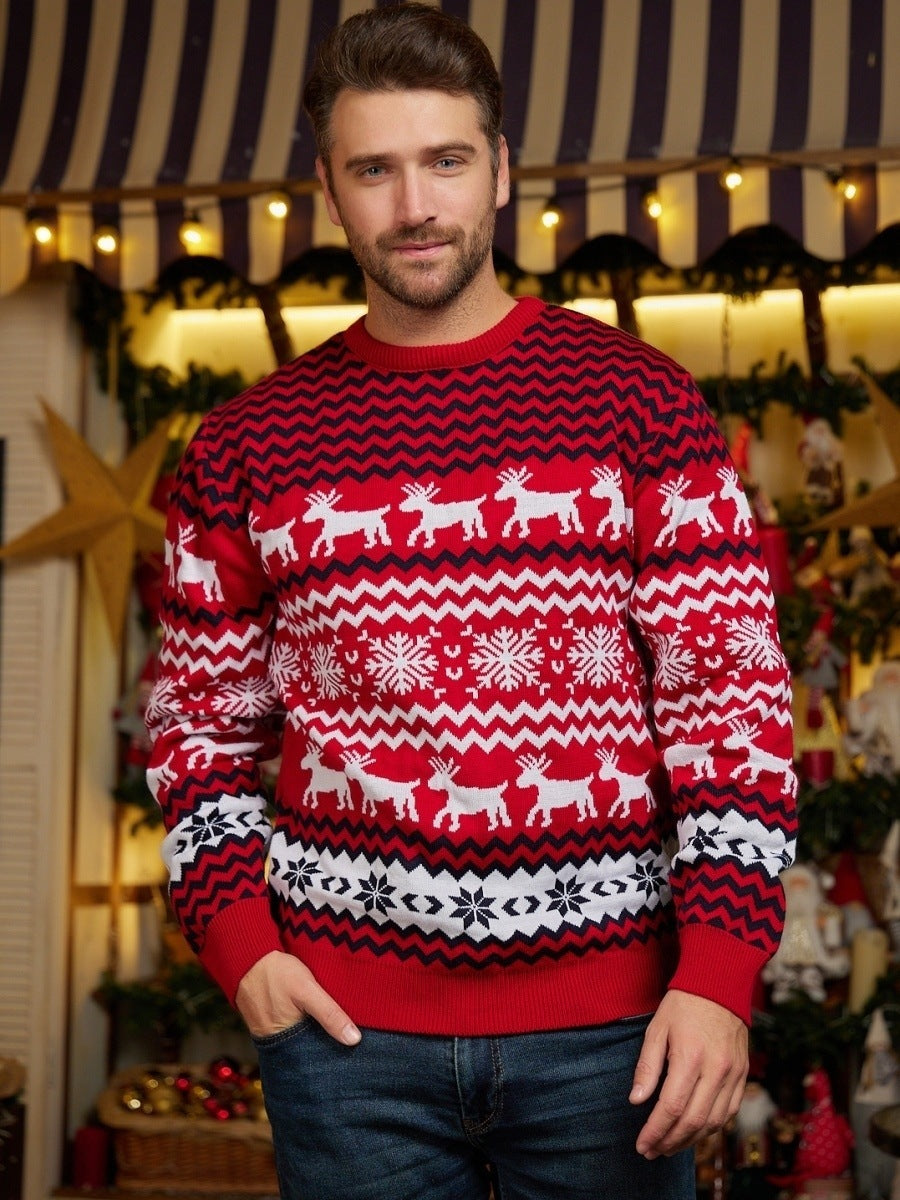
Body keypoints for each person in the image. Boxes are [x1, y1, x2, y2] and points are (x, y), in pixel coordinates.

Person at [145, 5, 797, 1198]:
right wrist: (244, 950)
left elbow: (733, 708)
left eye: (445, 160)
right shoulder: (247, 447)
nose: (416, 205)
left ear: (500, 169)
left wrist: (715, 976)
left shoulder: (639, 408)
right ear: (331, 195)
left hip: (619, 1035)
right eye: (375, 170)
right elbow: (195, 734)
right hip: (344, 1042)